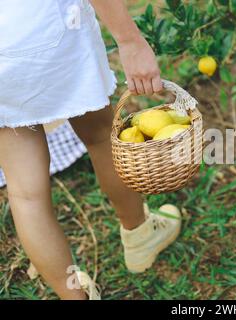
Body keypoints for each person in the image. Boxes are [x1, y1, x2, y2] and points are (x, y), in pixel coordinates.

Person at [0, 0, 181, 300]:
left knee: (25, 193)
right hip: (43, 29)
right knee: (100, 136)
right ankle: (140, 237)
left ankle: (74, 296)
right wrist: (129, 40)